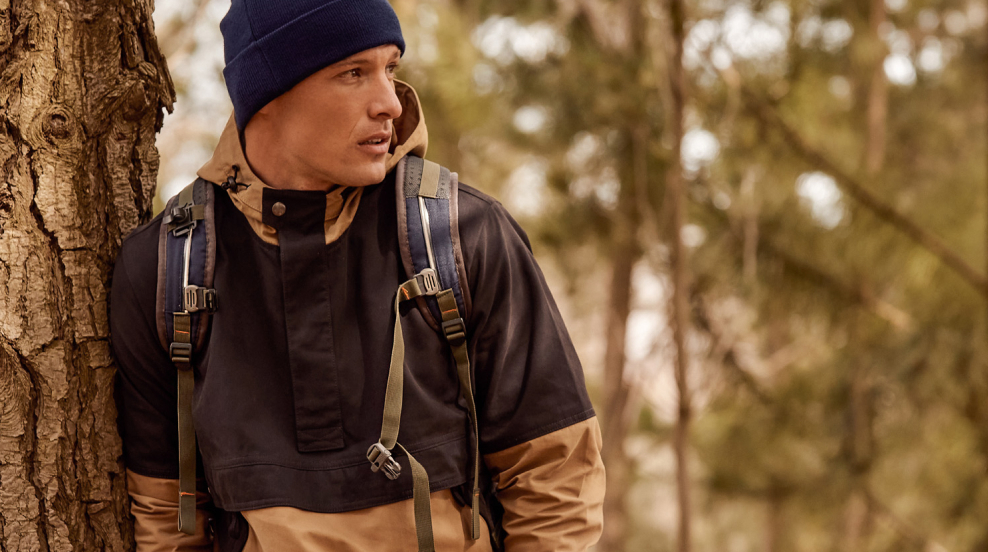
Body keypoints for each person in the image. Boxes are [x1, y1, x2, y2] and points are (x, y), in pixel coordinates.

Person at [110, 1, 605, 550]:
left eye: (390, 69)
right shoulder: (163, 269)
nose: (390, 103)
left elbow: (554, 480)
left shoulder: (464, 236)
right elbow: (165, 518)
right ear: (268, 94)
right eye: (353, 73)